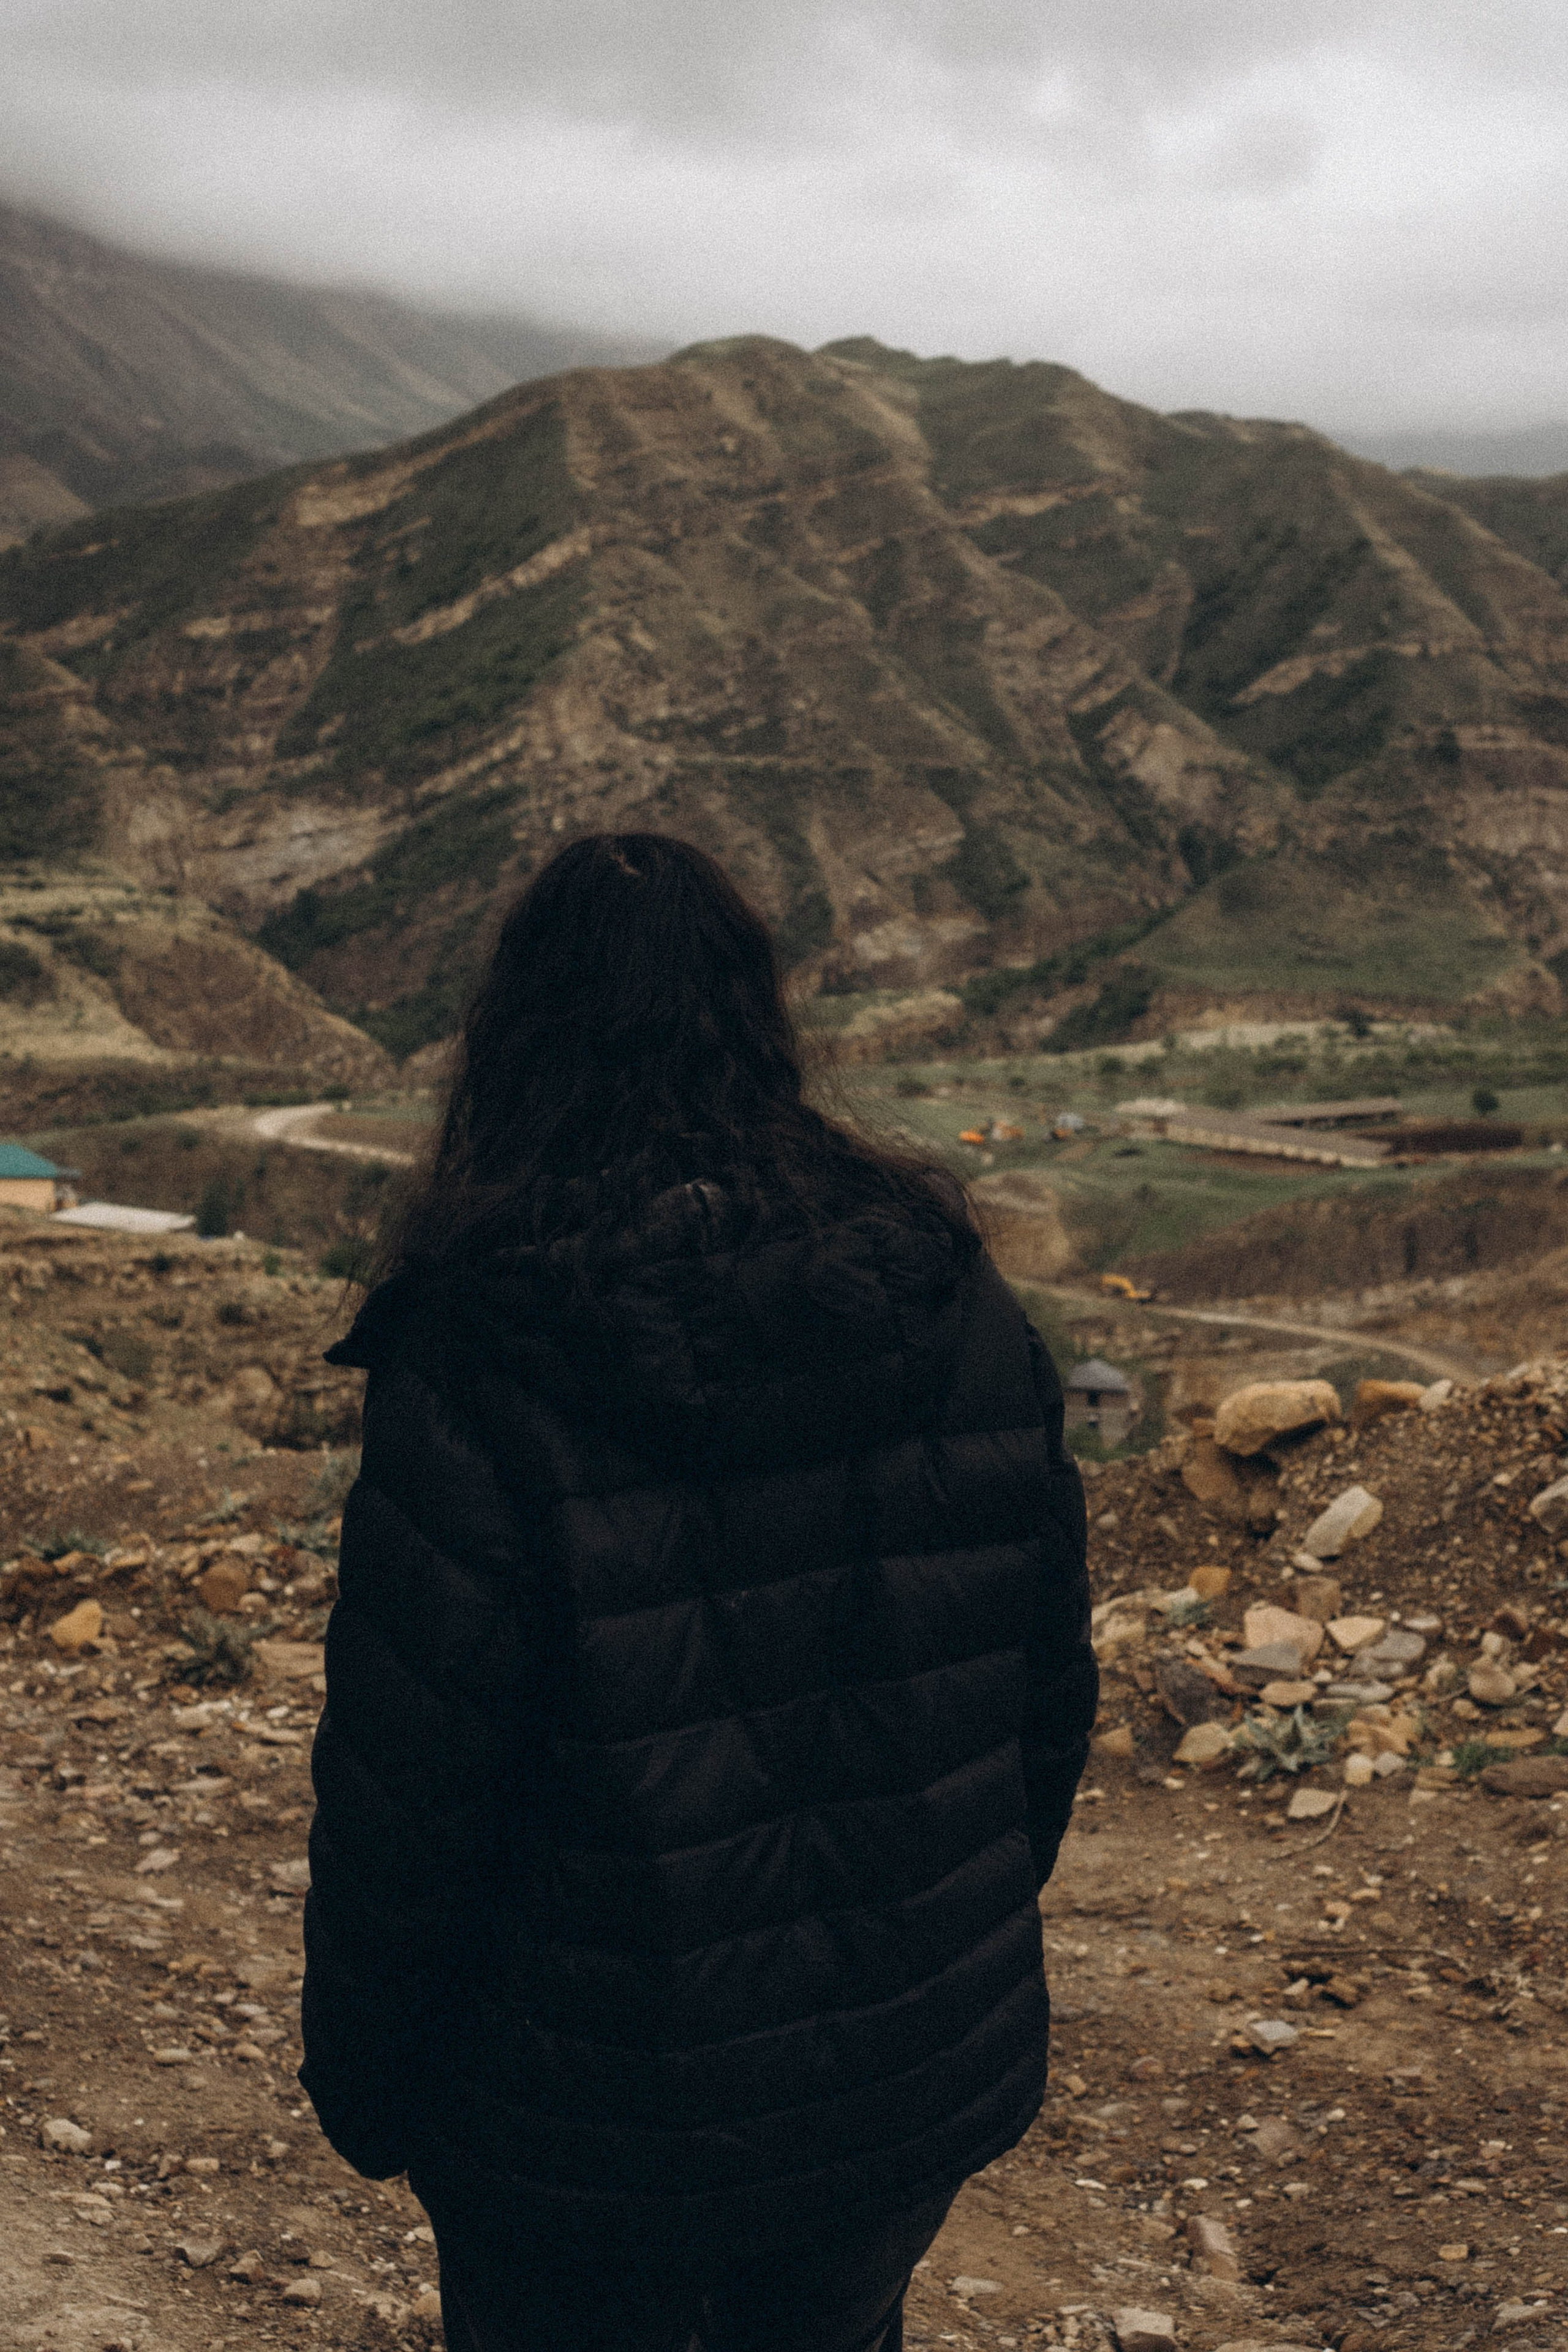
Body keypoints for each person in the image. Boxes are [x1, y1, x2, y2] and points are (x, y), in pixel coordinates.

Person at [300, 832, 1096, 2352]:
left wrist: (368, 2085)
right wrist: (928, 1954)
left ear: (515, 1039)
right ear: (756, 1016)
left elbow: (412, 1789)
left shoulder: (480, 1342)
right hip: (893, 2097)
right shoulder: (948, 1293)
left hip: (583, 2130)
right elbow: (1041, 1700)